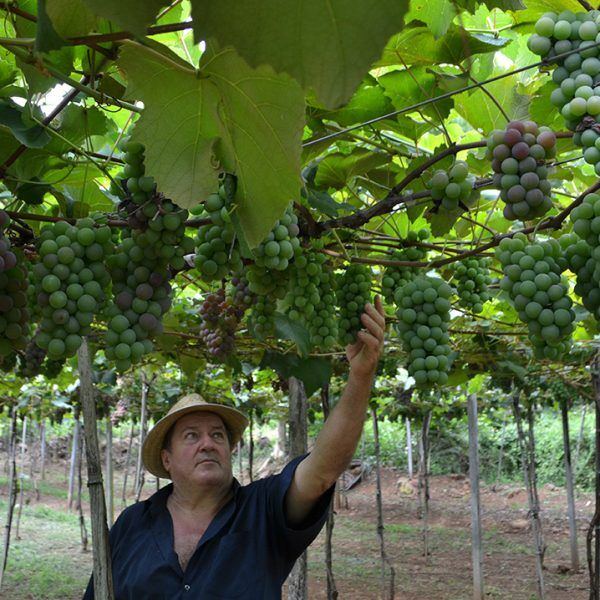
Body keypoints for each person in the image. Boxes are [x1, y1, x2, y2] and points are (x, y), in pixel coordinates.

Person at [83, 297, 385, 599]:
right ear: (167, 459)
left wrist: (360, 376)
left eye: (217, 435)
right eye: (191, 436)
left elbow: (322, 470)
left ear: (229, 450)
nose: (207, 444)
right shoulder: (131, 524)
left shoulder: (263, 511)